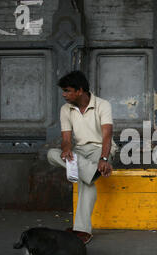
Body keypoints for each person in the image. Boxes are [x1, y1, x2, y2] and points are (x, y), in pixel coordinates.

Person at [47, 70, 117, 244]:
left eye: (67, 91)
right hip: (80, 153)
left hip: (100, 150)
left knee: (85, 183)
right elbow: (66, 139)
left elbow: (107, 136)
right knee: (51, 154)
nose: (64, 95)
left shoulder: (103, 105)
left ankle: (82, 230)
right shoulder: (65, 109)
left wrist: (104, 159)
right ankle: (92, 172)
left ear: (80, 91)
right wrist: (66, 150)